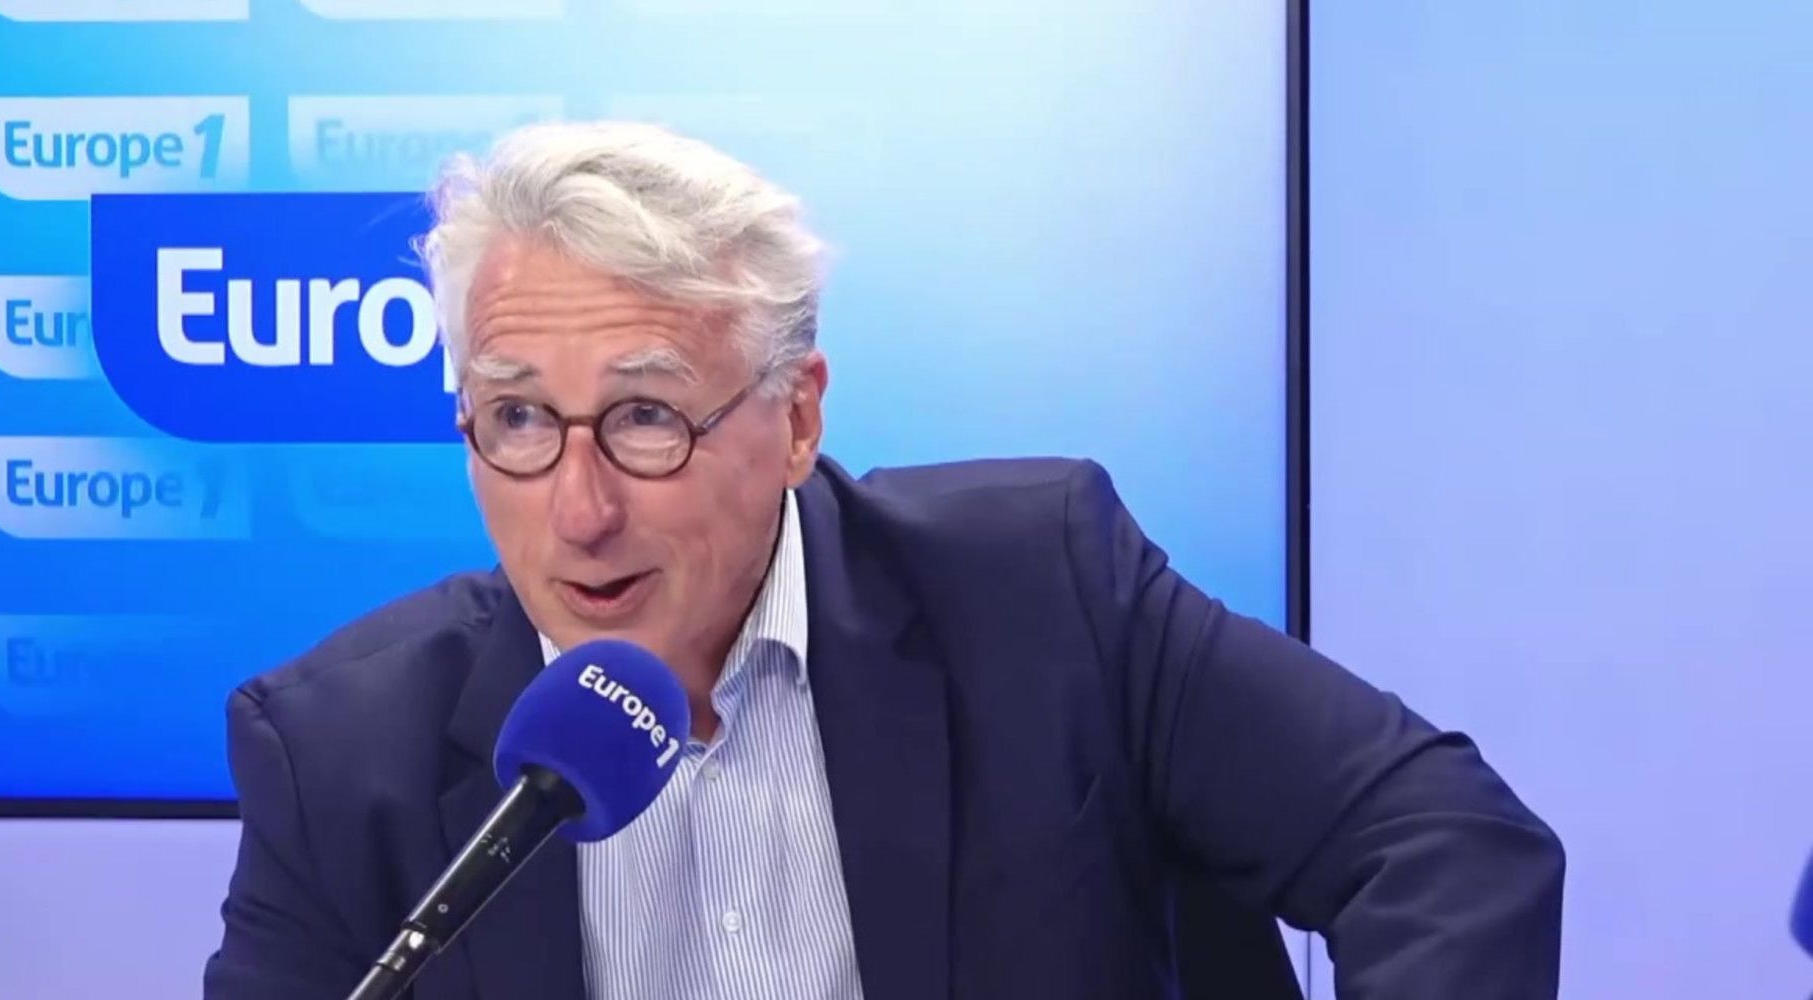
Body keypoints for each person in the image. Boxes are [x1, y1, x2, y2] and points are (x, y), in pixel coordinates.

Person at [202, 121, 1564, 1000]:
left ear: (796, 418)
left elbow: (1443, 844)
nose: (579, 508)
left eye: (646, 418)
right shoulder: (341, 755)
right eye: (515, 421)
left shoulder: (1044, 599)